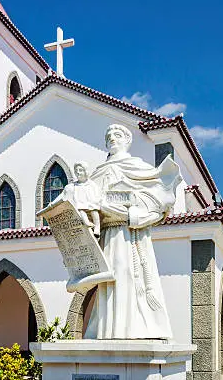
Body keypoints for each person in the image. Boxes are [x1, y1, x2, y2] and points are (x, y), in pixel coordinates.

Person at [84, 124, 181, 340]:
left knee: (128, 275)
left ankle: (133, 328)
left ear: (128, 141)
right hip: (107, 235)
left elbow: (161, 200)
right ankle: (107, 330)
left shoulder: (138, 167)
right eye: (108, 135)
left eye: (117, 135)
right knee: (108, 281)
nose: (112, 138)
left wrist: (134, 216)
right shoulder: (97, 173)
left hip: (129, 235)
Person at [61, 161, 101, 236]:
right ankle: (87, 223)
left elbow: (97, 192)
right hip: (80, 202)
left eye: (80, 170)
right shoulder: (74, 185)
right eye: (76, 171)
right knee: (80, 209)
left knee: (94, 210)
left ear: (85, 171)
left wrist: (97, 200)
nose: (78, 173)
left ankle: (97, 228)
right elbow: (63, 195)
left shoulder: (91, 184)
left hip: (92, 202)